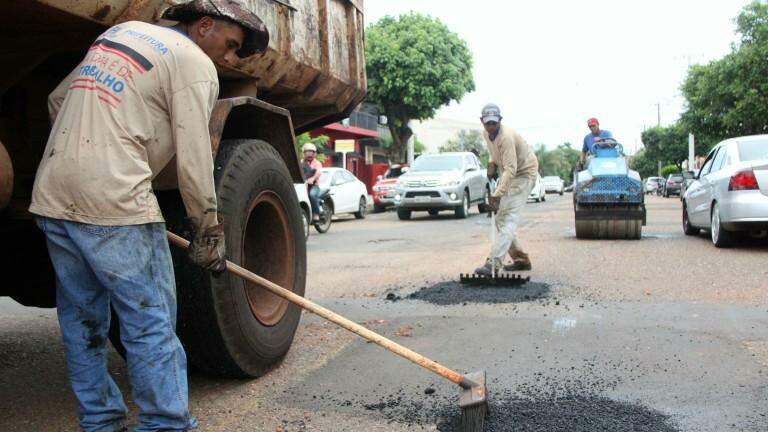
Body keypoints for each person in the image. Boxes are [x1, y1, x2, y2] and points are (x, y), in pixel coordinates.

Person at [28, 1, 269, 430]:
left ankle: (100, 421)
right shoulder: (195, 63)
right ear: (204, 25)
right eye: (232, 45)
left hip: (53, 194)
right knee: (149, 322)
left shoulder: (118, 35)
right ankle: (165, 423)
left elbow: (57, 99)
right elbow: (195, 158)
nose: (230, 57)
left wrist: (83, 154)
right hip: (118, 202)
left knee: (82, 321)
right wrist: (207, 232)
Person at [475, 104, 539, 275]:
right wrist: (491, 164)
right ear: (482, 121)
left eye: (494, 123)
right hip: (510, 174)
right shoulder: (487, 134)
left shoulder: (506, 137)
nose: (491, 126)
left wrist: (497, 194)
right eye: (487, 123)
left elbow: (511, 169)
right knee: (500, 220)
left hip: (524, 173)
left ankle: (493, 263)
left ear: (500, 120)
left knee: (508, 218)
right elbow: (495, 152)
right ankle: (521, 259)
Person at [302, 143, 324, 221]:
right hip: (303, 185)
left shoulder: (317, 163)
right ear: (304, 153)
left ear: (314, 153)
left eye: (311, 152)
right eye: (307, 152)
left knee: (312, 195)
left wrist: (312, 178)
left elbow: (318, 172)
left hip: (314, 185)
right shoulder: (301, 162)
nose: (309, 154)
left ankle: (316, 213)